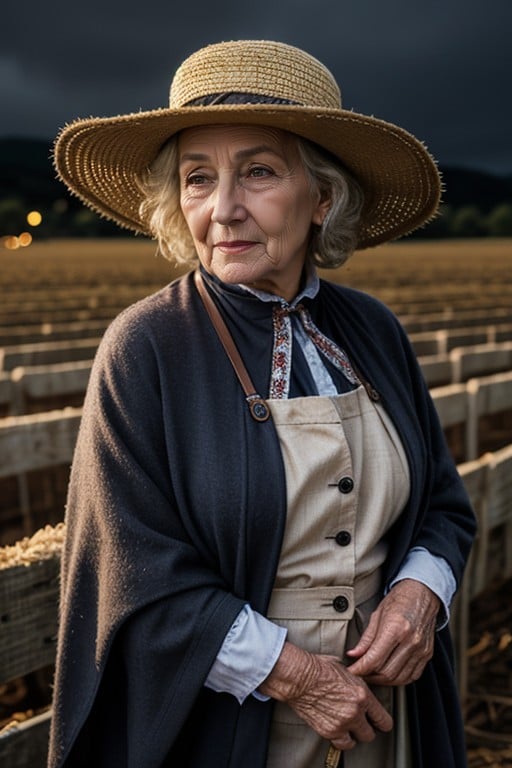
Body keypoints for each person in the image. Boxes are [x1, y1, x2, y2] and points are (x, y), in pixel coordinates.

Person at [48, 40, 476, 768]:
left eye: (259, 172)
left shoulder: (371, 329)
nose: (222, 210)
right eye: (197, 178)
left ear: (324, 197)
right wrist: (299, 676)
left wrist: (416, 598)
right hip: (232, 734)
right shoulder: (146, 348)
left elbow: (441, 502)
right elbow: (139, 575)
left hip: (387, 722)